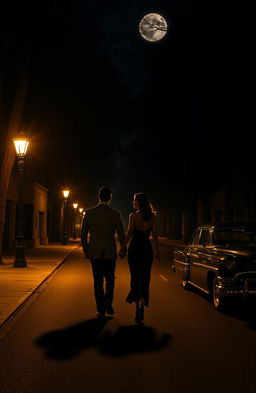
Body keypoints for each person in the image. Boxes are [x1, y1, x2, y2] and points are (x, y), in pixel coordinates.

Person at [81, 186, 126, 318]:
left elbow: (83, 234)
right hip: (110, 251)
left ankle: (100, 309)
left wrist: (85, 249)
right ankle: (109, 300)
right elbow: (121, 234)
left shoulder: (89, 213)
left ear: (98, 197)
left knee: (98, 280)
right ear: (110, 198)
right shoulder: (115, 214)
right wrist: (123, 249)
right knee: (110, 278)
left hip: (94, 251)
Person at [119, 192, 159, 323]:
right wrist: (156, 252)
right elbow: (154, 236)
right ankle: (143, 304)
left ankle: (137, 310)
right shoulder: (153, 217)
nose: (133, 203)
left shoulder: (133, 216)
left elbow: (129, 234)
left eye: (134, 200)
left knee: (135, 279)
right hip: (146, 250)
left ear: (139, 202)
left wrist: (123, 248)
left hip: (135, 249)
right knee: (145, 279)